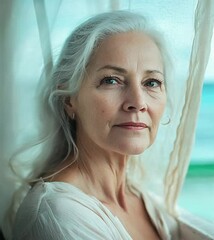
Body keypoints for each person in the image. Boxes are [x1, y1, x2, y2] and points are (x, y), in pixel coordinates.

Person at [10, 10, 178, 240]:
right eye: (111, 80)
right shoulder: (60, 216)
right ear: (69, 99)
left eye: (151, 82)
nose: (138, 103)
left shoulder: (140, 196)